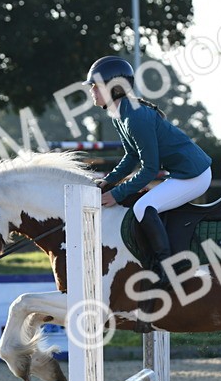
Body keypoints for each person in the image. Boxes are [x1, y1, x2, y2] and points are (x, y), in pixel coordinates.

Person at [85, 55, 212, 283]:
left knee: (144, 206)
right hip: (182, 173)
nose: (92, 91)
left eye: (95, 86)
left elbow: (150, 169)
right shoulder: (119, 115)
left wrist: (116, 194)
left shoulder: (135, 117)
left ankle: (166, 270)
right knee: (142, 203)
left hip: (194, 175)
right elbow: (131, 156)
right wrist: (109, 181)